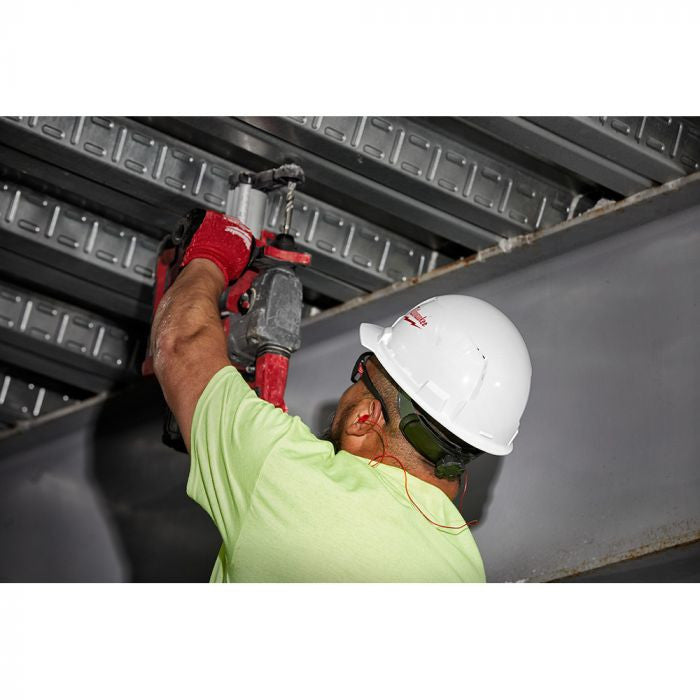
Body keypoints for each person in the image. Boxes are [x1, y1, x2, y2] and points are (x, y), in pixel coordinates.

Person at [151, 210, 532, 582]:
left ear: (364, 418)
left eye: (362, 373)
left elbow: (182, 345)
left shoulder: (287, 475)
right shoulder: (463, 573)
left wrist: (212, 255)